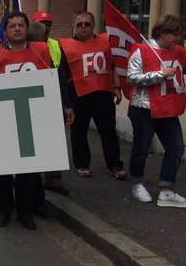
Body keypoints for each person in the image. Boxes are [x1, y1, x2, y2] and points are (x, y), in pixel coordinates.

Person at [0, 12, 74, 230]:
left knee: (28, 170)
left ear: (27, 28)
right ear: (6, 30)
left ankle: (25, 211)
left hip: (32, 118)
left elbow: (54, 82)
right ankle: (4, 209)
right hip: (2, 118)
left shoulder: (41, 52)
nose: (17, 28)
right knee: (3, 169)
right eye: (12, 25)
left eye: (21, 25)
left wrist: (63, 107)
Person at [58, 12, 127, 180]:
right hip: (78, 95)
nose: (83, 27)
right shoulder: (66, 46)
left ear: (94, 25)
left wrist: (117, 87)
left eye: (86, 24)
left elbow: (114, 65)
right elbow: (62, 75)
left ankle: (115, 165)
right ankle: (81, 164)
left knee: (109, 131)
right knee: (78, 131)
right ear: (74, 26)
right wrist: (66, 103)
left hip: (103, 94)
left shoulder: (106, 42)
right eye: (79, 24)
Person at [127, 15, 186, 207]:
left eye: (180, 33)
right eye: (174, 33)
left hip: (168, 107)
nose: (178, 37)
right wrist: (160, 74)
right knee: (141, 148)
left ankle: (166, 189)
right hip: (144, 108)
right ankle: (137, 183)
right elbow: (132, 78)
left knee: (176, 147)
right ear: (162, 32)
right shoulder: (142, 50)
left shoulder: (179, 51)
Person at [31, 10, 71, 196]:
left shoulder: (56, 46)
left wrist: (66, 104)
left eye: (47, 23)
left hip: (54, 100)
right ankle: (34, 182)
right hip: (33, 102)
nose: (45, 27)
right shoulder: (25, 47)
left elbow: (64, 77)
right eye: (41, 23)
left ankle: (53, 179)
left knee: (55, 143)